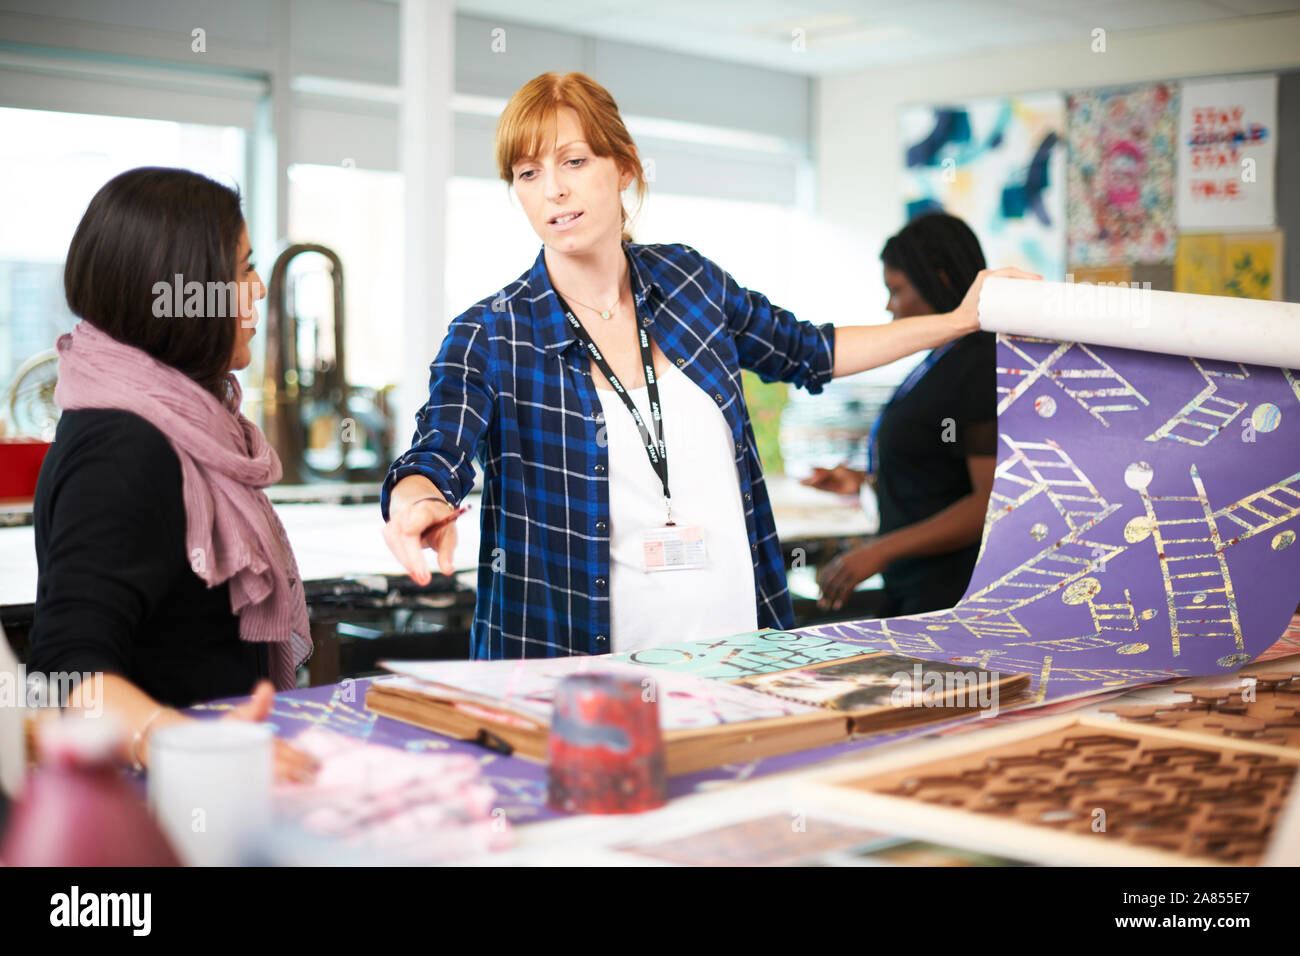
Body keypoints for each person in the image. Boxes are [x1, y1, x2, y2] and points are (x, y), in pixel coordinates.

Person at [381, 72, 1036, 659]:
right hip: (581, 681)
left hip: (742, 658)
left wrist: (958, 320)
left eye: (574, 161)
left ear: (624, 168)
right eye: (526, 174)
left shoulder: (690, 283)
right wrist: (417, 503)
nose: (552, 190)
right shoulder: (492, 332)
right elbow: (437, 448)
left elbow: (810, 351)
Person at [26, 167, 318, 782]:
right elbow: (66, 672)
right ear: (187, 292)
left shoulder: (173, 422)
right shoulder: (126, 445)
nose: (259, 290)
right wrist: (189, 748)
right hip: (161, 803)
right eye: (242, 270)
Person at [810, 213, 1002, 617]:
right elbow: (937, 471)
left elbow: (989, 502)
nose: (889, 305)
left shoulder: (979, 364)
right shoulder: (939, 360)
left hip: (951, 594)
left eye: (896, 290)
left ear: (941, 279)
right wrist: (863, 481)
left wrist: (880, 551)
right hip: (915, 586)